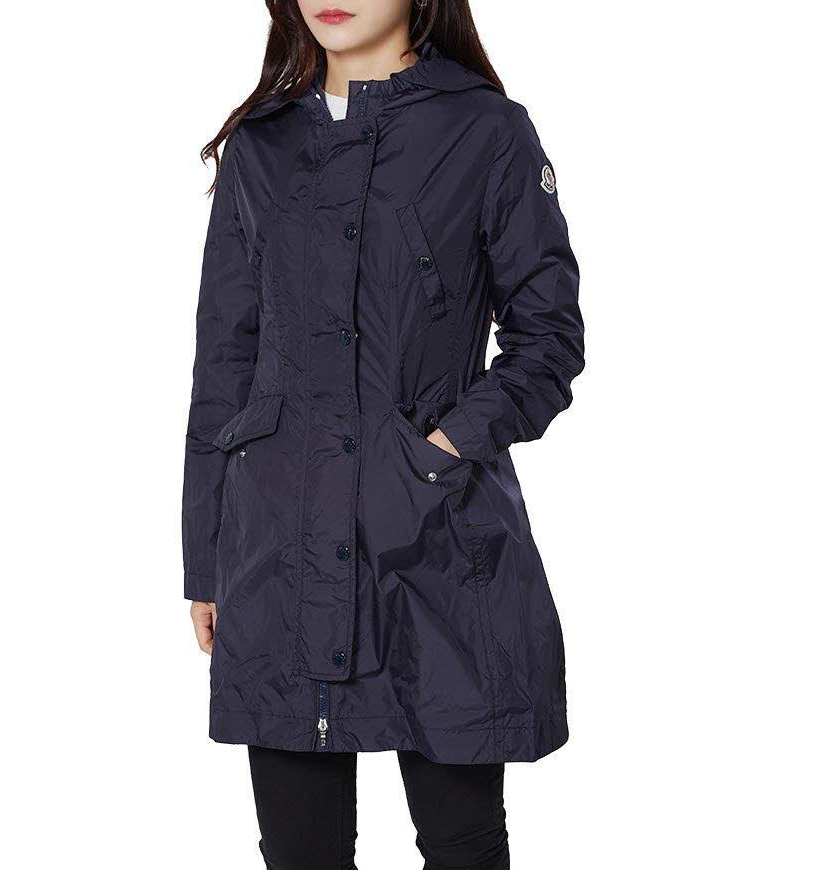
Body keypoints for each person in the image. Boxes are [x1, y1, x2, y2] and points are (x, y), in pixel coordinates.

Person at [183, 1, 584, 867]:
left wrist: (442, 449)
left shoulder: (486, 132)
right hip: (278, 554)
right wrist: (205, 559)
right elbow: (225, 365)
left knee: (462, 844)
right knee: (299, 851)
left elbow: (549, 340)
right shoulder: (262, 145)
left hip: (434, 544)